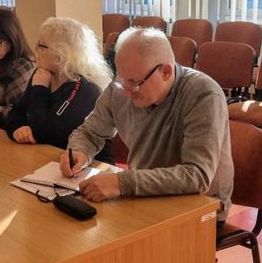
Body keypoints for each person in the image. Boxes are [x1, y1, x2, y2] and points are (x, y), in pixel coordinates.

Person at [59, 27, 234, 229]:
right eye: (122, 79)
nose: (127, 91)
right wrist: (79, 152)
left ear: (166, 72)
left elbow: (197, 176)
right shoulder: (122, 86)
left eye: (135, 82)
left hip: (201, 207)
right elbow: (89, 133)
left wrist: (122, 182)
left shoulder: (203, 94)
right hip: (142, 195)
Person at [5, 17, 114, 163]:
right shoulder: (42, 74)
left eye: (41, 46)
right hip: (49, 158)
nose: (35, 49)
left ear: (60, 53)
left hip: (89, 166)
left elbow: (46, 134)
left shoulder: (85, 88)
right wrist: (17, 129)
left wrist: (39, 88)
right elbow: (15, 112)